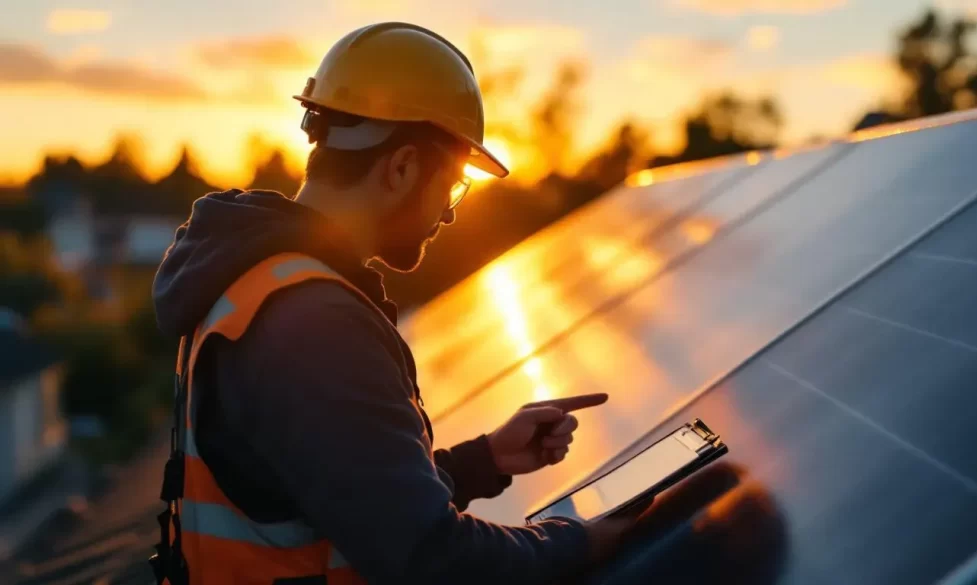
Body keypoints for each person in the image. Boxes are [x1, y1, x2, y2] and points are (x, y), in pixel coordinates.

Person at [148, 22, 637, 585]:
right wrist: (580, 543)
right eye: (452, 184)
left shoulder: (256, 282)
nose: (450, 213)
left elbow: (341, 493)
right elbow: (432, 559)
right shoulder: (314, 323)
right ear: (401, 167)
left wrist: (486, 460)